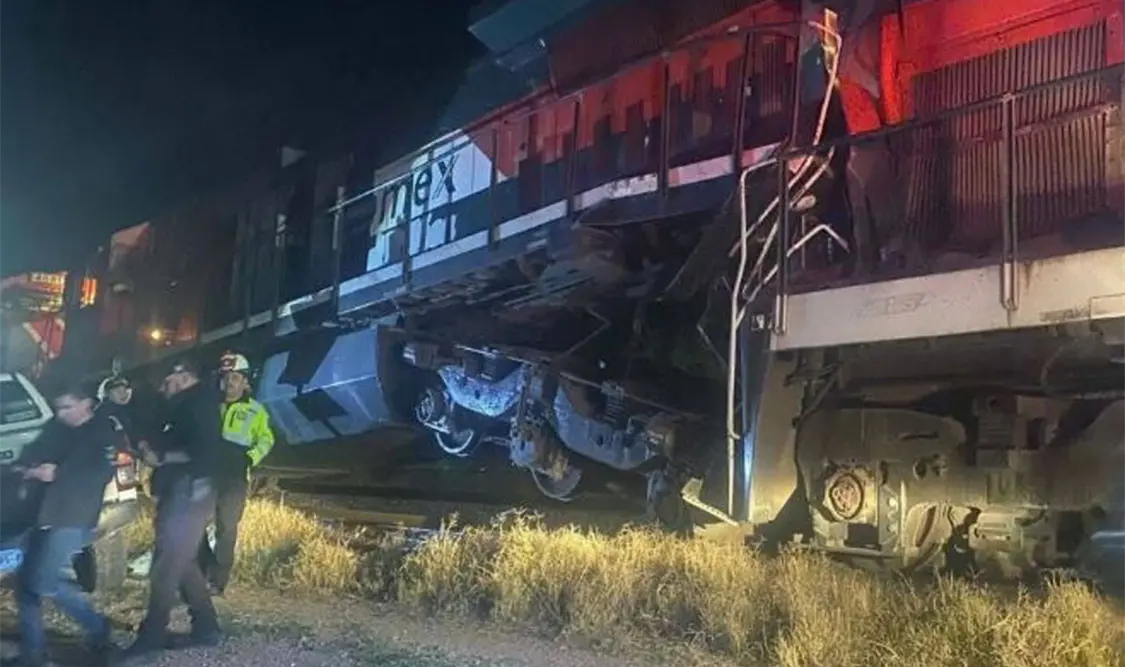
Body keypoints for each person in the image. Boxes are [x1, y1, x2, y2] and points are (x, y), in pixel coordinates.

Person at [121, 356, 234, 659]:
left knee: (166, 564)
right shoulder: (183, 403)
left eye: (167, 380)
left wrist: (162, 458)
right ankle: (207, 627)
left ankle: (152, 634)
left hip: (192, 491)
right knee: (182, 562)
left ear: (183, 377)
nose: (163, 386)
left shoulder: (199, 404)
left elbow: (203, 450)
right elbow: (164, 435)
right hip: (180, 490)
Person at [5, 383, 121, 667]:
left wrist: (56, 473)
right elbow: (33, 453)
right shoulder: (57, 428)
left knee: (42, 581)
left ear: (86, 404)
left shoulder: (101, 431)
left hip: (73, 515)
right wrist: (27, 467)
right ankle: (34, 655)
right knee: (26, 586)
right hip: (40, 514)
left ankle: (97, 626)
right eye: (59, 407)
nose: (61, 413)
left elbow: (97, 472)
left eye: (67, 407)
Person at [197, 351, 274, 596]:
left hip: (234, 479)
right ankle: (203, 569)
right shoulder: (208, 407)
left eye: (235, 378)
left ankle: (217, 581)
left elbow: (266, 439)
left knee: (227, 529)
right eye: (226, 378)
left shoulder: (256, 411)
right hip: (207, 474)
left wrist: (250, 458)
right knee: (194, 525)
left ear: (245, 381)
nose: (229, 383)